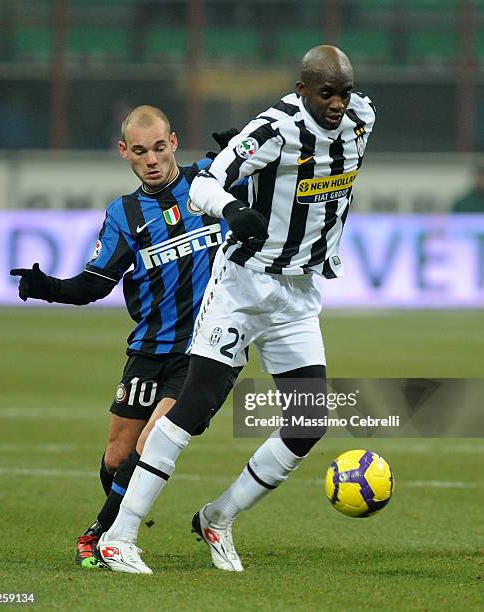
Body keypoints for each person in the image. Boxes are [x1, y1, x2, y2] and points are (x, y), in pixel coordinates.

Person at [95, 45, 376, 574]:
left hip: (297, 293)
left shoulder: (363, 116)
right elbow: (203, 182)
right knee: (193, 406)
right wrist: (232, 208)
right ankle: (119, 535)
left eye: (343, 92)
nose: (338, 104)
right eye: (325, 93)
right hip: (243, 286)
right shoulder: (274, 128)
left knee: (308, 420)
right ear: (301, 91)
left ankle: (217, 518)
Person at [9, 105, 241, 567]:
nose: (152, 159)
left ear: (173, 142)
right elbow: (95, 283)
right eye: (140, 152)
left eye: (159, 148)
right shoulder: (124, 213)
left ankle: (102, 533)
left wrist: (245, 149)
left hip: (206, 349)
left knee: (152, 440)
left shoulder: (210, 181)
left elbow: (277, 177)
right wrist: (48, 288)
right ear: (124, 153)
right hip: (149, 347)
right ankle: (123, 509)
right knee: (118, 457)